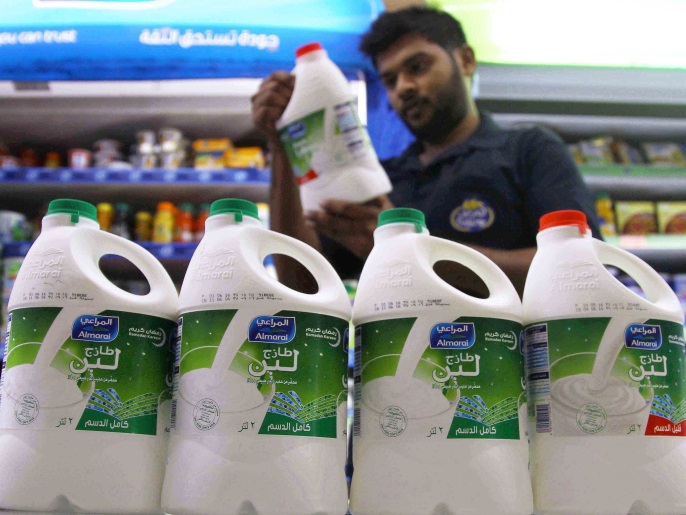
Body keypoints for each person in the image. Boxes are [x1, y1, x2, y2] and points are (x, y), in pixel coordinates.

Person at [251, 5, 602, 295]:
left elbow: (578, 267)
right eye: (390, 80)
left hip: (511, 368)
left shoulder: (529, 150)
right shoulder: (381, 181)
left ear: (465, 60)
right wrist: (282, 144)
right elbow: (300, 282)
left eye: (417, 67)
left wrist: (406, 254)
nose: (403, 87)